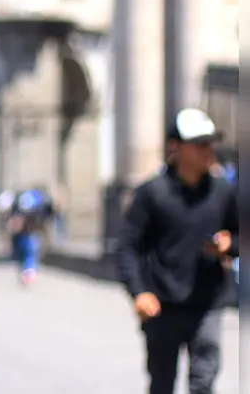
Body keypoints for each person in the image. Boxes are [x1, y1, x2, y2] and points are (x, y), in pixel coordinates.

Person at [117, 108, 239, 394]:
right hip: (162, 305)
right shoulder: (152, 194)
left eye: (210, 144)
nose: (208, 151)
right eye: (199, 145)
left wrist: (229, 244)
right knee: (162, 384)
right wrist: (139, 292)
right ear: (176, 148)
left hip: (207, 303)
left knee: (203, 382)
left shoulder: (222, 191)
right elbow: (127, 247)